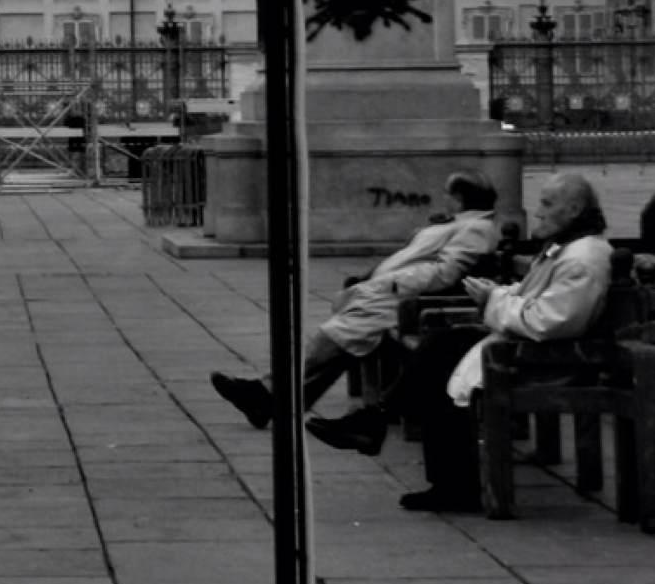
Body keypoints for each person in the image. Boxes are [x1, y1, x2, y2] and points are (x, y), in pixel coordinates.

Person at [306, 172, 615, 513]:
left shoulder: (581, 258)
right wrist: (496, 294)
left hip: (544, 360)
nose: (537, 211)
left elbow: (548, 321)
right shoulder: (569, 249)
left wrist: (494, 300)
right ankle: (381, 428)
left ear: (573, 210)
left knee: (440, 360)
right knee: (440, 347)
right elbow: (535, 300)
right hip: (528, 349)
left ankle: (391, 436)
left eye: (546, 203)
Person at [211, 175, 504, 431]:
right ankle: (269, 401)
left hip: (406, 301)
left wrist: (393, 283)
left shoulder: (476, 228)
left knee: (335, 337)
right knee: (342, 343)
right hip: (393, 297)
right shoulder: (463, 223)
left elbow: (446, 271)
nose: (443, 198)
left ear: (460, 198)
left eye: (447, 193)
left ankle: (265, 392)